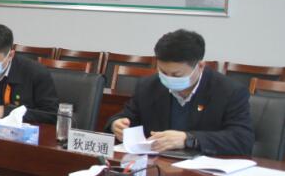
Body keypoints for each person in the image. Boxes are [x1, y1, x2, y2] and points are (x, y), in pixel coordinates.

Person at [108, 30, 254, 155]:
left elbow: (242, 139)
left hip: (203, 170)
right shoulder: (148, 86)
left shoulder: (229, 91)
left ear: (200, 66)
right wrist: (117, 124)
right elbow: (127, 116)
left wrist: (188, 139)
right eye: (163, 72)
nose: (168, 78)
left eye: (176, 75)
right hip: (157, 164)